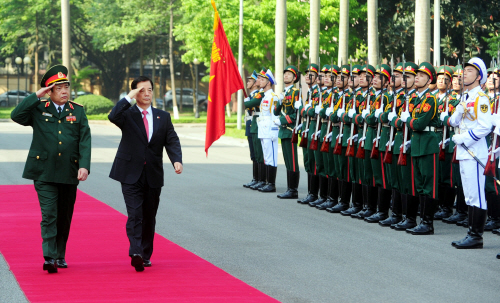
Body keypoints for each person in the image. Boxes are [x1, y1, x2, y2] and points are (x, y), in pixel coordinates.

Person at [10, 65, 91, 273]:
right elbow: (16, 115)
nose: (65, 91)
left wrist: (84, 166)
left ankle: (60, 254)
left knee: (64, 215)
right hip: (44, 172)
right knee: (49, 215)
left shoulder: (78, 111)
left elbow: (84, 141)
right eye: (59, 88)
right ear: (49, 91)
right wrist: (36, 96)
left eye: (66, 87)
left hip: (69, 171)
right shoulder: (38, 109)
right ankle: (49, 257)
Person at [108, 76, 183, 271]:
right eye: (142, 90)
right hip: (130, 172)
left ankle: (146, 254)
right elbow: (113, 116)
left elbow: (172, 140)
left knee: (149, 215)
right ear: (134, 93)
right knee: (135, 214)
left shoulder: (162, 116)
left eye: (149, 89)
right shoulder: (128, 114)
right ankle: (136, 252)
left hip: (153, 173)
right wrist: (128, 97)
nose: (147, 93)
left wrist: (176, 160)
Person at [441, 58, 492, 248]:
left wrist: (465, 137)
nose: (464, 73)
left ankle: (476, 236)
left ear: (479, 77)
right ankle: (471, 233)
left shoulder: (481, 98)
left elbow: (485, 126)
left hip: (474, 152)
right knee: (470, 194)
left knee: (477, 193)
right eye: (464, 70)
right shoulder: (466, 97)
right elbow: (455, 122)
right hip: (464, 152)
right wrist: (457, 112)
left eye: (470, 71)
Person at [400, 62, 440, 235]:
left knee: (428, 185)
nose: (417, 77)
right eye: (416, 75)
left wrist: (407, 120)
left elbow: (419, 123)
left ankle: (427, 223)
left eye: (421, 75)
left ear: (429, 79)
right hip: (416, 144)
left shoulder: (430, 99)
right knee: (418, 184)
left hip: (427, 144)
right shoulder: (415, 98)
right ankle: (415, 220)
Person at [275, 66, 301, 199]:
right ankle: (289, 188)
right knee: (287, 161)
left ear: (294, 78)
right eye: (284, 73)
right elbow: (275, 111)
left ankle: (293, 190)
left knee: (292, 161)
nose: (286, 76)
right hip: (284, 131)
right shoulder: (283, 93)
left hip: (290, 130)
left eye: (289, 74)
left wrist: (282, 120)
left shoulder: (296, 93)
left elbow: (296, 115)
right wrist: (279, 102)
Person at [257, 68, 280, 192]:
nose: (260, 82)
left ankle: (271, 183)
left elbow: (275, 116)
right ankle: (267, 181)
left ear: (268, 83)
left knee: (271, 157)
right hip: (263, 130)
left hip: (270, 131)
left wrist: (273, 131)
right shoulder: (264, 96)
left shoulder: (273, 97)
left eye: (263, 80)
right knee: (266, 156)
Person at [243, 71, 261, 189]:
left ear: (255, 83)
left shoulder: (258, 95)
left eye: (250, 81)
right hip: (250, 125)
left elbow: (249, 105)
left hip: (257, 126)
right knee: (253, 154)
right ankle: (255, 178)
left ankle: (260, 179)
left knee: (258, 154)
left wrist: (247, 101)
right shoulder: (251, 96)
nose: (247, 82)